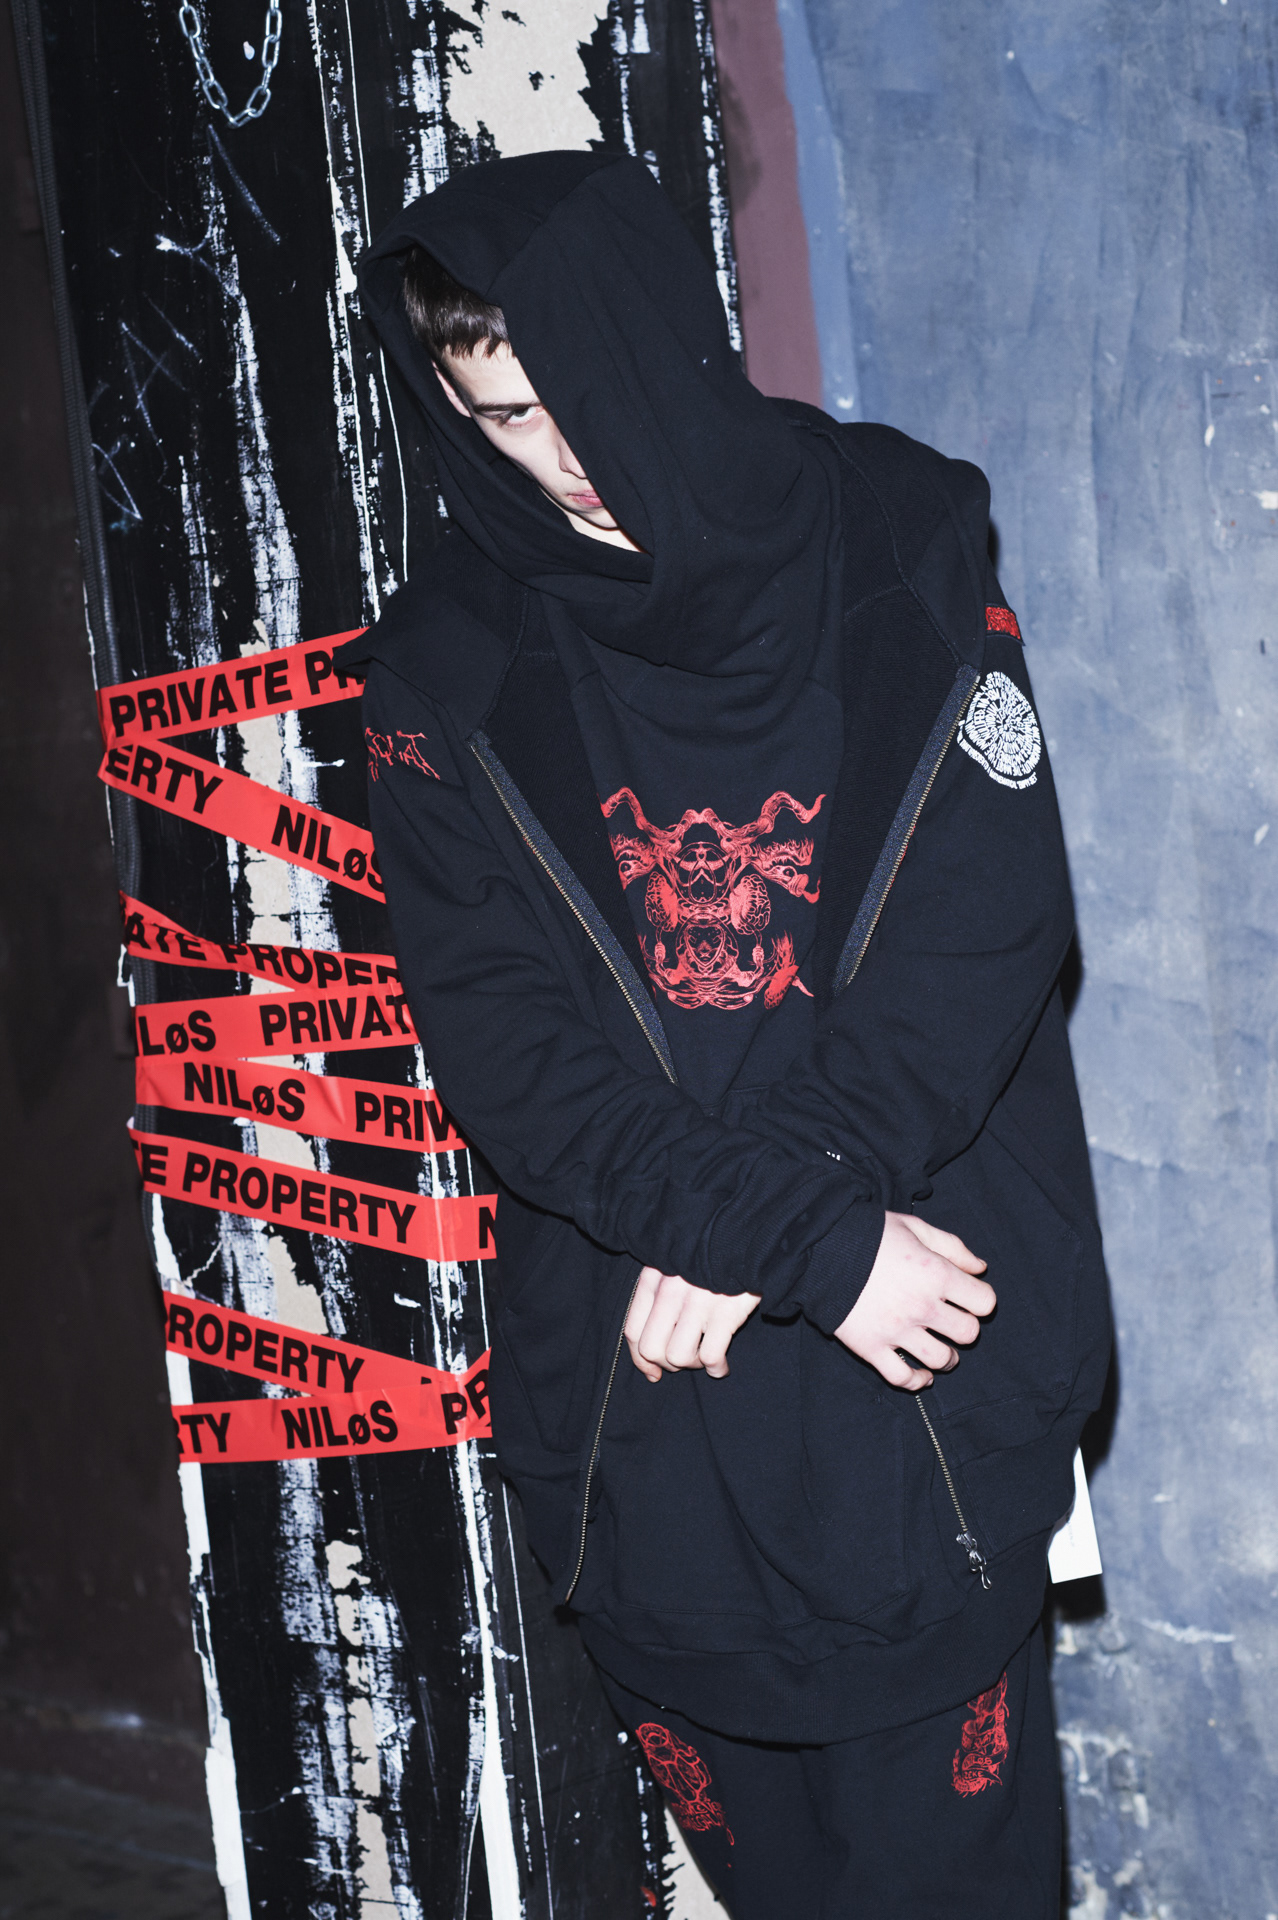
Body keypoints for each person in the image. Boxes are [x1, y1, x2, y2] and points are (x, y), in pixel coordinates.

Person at [337, 149, 1111, 1917]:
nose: (554, 464)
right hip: (649, 1404)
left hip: (918, 1355)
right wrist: (783, 1235)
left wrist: (795, 1226)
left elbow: (983, 929)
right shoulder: (446, 666)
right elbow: (506, 1050)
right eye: (498, 420)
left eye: (570, 400)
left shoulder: (896, 539)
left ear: (654, 349)